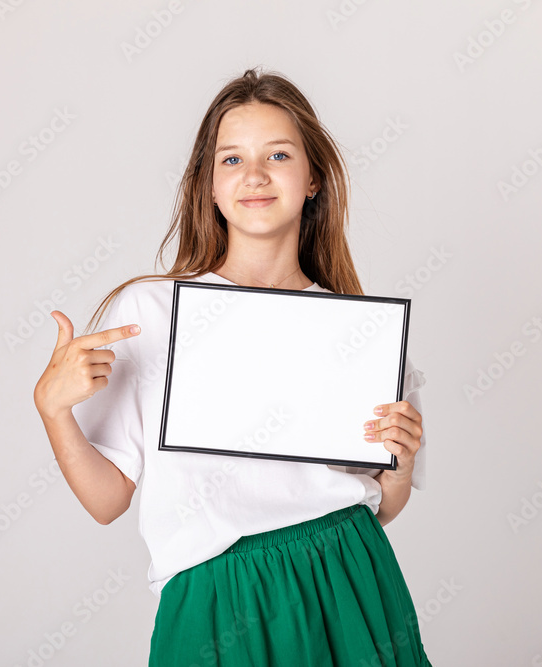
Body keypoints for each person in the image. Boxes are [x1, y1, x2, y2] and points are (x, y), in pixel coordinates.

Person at [33, 66, 432, 666]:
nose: (254, 176)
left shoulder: (358, 332)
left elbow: (379, 499)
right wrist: (53, 409)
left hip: (349, 578)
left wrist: (399, 469)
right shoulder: (150, 313)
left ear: (313, 178)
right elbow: (105, 499)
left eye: (277, 154)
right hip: (214, 597)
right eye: (230, 160)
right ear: (209, 187)